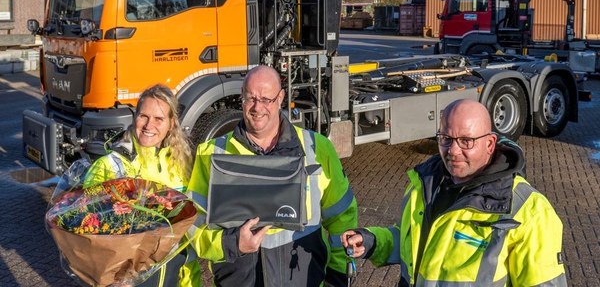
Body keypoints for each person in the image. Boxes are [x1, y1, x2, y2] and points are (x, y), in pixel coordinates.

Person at [342, 99, 567, 287]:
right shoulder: (424, 183)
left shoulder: (528, 211)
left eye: (466, 141)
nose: (453, 151)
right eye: (446, 139)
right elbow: (415, 239)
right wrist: (373, 241)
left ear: (490, 144)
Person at [187, 65, 358, 286]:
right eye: (251, 98)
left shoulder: (317, 148)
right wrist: (232, 243)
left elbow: (342, 219)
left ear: (280, 98)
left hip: (302, 278)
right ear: (242, 97)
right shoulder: (211, 153)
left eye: (266, 99)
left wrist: (337, 277)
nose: (258, 108)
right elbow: (193, 225)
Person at [83, 84, 200, 287]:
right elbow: (87, 223)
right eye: (143, 116)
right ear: (135, 117)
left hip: (176, 273)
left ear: (171, 123)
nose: (148, 125)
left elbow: (192, 225)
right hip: (128, 279)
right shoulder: (110, 165)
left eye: (158, 119)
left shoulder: (184, 164)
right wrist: (113, 276)